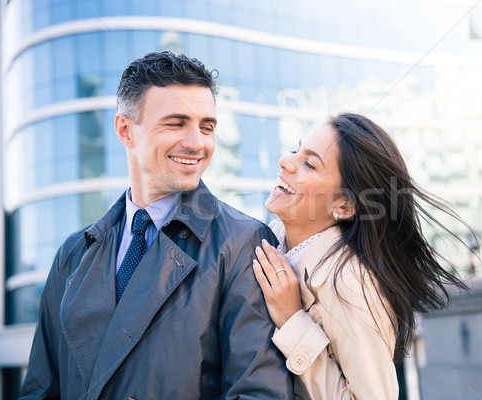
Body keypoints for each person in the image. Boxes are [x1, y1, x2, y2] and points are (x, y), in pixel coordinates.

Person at [20, 51, 292, 399]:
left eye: (207, 127)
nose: (198, 143)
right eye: (176, 123)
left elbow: (258, 392)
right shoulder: (73, 254)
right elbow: (41, 389)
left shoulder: (243, 243)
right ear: (125, 130)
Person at [253, 113, 470, 399]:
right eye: (296, 150)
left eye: (309, 163)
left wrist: (292, 320)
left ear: (344, 205)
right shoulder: (268, 239)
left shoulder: (350, 283)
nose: (285, 161)